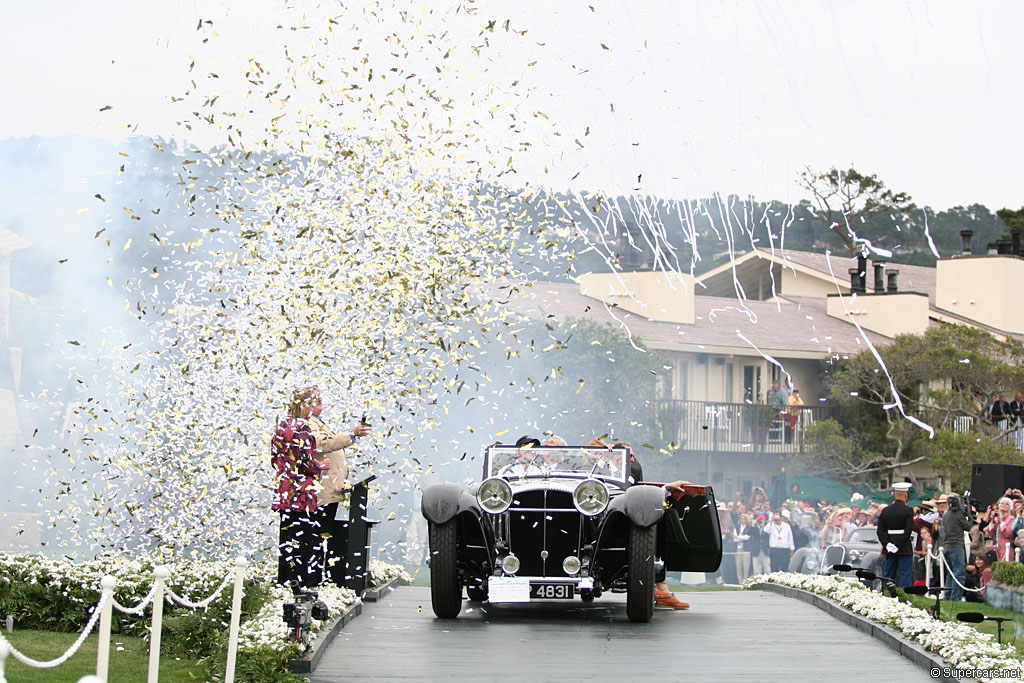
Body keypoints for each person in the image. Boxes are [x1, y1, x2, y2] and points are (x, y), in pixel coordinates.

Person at [272, 387, 330, 590]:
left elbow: (275, 458)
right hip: (302, 493)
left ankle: (285, 579)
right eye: (310, 404)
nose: (312, 409)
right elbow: (305, 461)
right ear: (303, 405)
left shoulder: (281, 426)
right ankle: (304, 582)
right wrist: (320, 467)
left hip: (284, 489)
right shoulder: (303, 429)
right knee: (305, 538)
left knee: (287, 538)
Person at [308, 388, 373, 521]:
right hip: (321, 489)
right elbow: (322, 443)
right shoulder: (308, 423)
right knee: (320, 531)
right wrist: (351, 434)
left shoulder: (318, 421)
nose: (319, 399)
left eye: (319, 396)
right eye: (314, 397)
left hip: (330, 487)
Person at [877, 482, 915, 588]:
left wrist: (888, 545)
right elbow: (908, 531)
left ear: (894, 494)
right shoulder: (908, 510)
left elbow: (880, 531)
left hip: (889, 547)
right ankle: (905, 598)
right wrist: (897, 545)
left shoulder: (886, 510)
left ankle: (886, 594)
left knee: (888, 575)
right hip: (904, 547)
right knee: (905, 575)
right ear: (906, 495)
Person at [938, 494, 973, 601]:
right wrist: (970, 517)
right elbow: (967, 527)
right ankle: (955, 597)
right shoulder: (958, 515)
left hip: (947, 546)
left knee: (950, 573)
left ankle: (948, 595)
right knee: (958, 573)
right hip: (956, 546)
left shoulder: (946, 514)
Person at [985, 496, 1017, 562]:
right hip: (997, 548)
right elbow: (989, 533)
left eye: (1006, 504)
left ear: (1010, 508)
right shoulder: (997, 519)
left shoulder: (1011, 519)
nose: (1003, 505)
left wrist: (1002, 520)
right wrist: (992, 520)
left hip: (1006, 548)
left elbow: (1008, 534)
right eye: (1002, 503)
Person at [733, 513, 753, 583]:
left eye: (744, 518)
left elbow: (747, 537)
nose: (742, 520)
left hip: (746, 547)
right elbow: (734, 539)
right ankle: (740, 581)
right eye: (741, 518)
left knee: (746, 565)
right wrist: (741, 537)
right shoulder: (737, 527)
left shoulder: (749, 527)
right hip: (738, 547)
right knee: (738, 565)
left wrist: (739, 537)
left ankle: (745, 580)